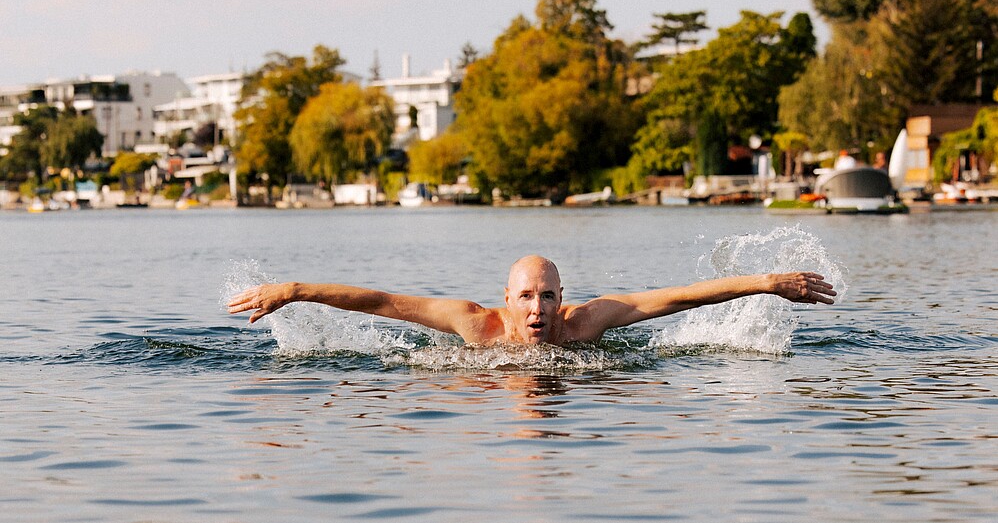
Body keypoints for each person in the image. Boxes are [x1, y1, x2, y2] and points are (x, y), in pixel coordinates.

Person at [227, 256, 836, 347]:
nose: (538, 309)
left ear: (562, 299)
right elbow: (384, 302)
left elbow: (675, 299)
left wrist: (765, 281)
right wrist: (295, 291)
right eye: (527, 297)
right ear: (507, 301)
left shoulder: (586, 323)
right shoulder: (476, 326)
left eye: (547, 296)